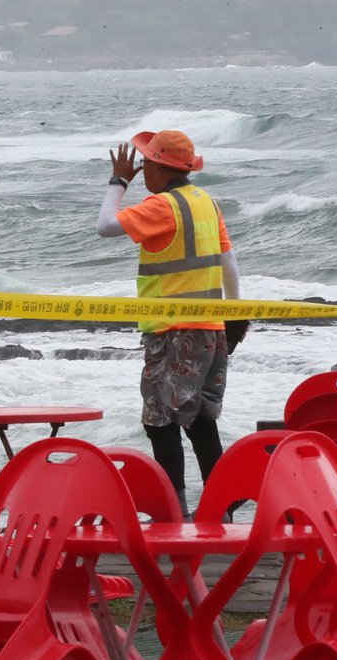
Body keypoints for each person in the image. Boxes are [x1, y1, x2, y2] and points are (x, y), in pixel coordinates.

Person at [98, 129, 248, 508]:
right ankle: (222, 505)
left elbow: (106, 226)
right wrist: (236, 314)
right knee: (200, 420)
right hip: (212, 328)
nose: (142, 170)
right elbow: (229, 262)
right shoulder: (205, 203)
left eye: (146, 163)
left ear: (160, 167)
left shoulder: (162, 206)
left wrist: (118, 182)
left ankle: (173, 509)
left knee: (159, 420)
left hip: (172, 332)